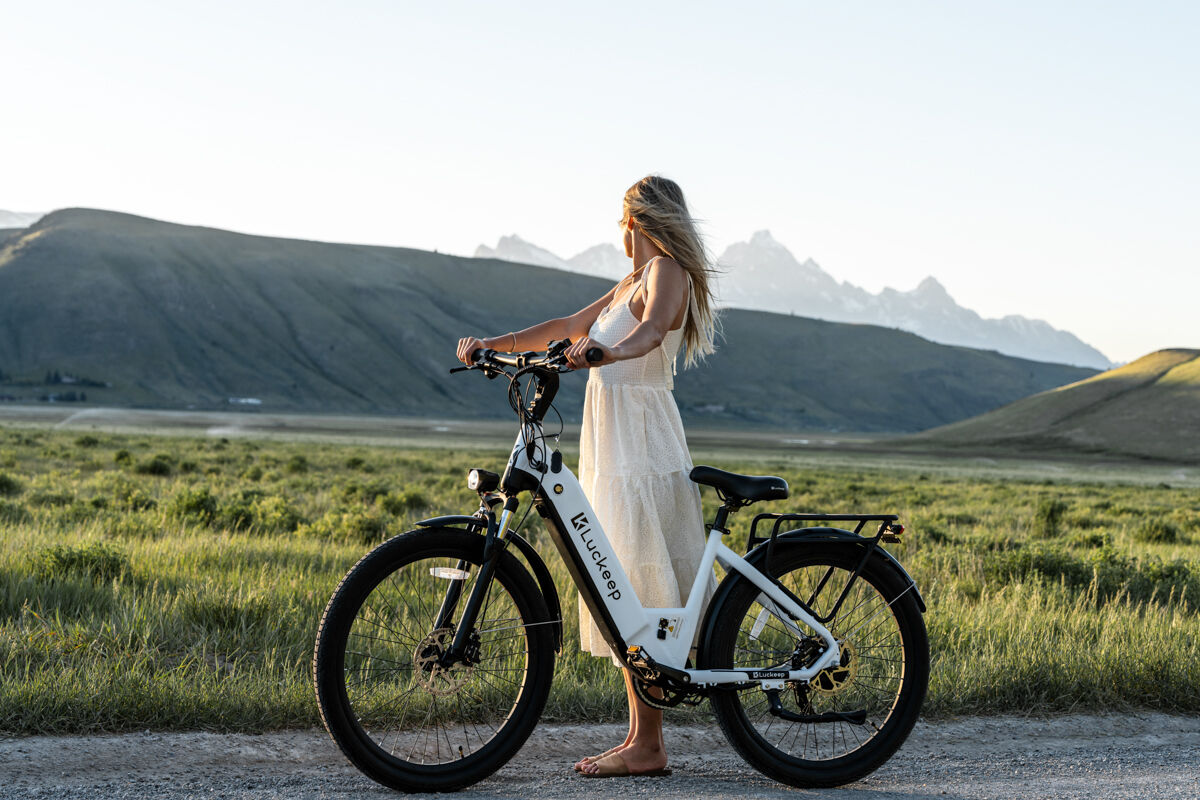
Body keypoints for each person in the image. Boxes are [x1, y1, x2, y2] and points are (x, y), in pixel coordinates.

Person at [455, 174, 718, 778]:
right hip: (614, 442)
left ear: (636, 221)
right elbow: (568, 326)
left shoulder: (667, 272)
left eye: (621, 222)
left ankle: (648, 745)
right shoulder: (632, 280)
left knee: (638, 574)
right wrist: (492, 347)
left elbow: (651, 330)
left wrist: (608, 353)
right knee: (619, 578)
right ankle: (641, 741)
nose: (619, 233)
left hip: (642, 445)